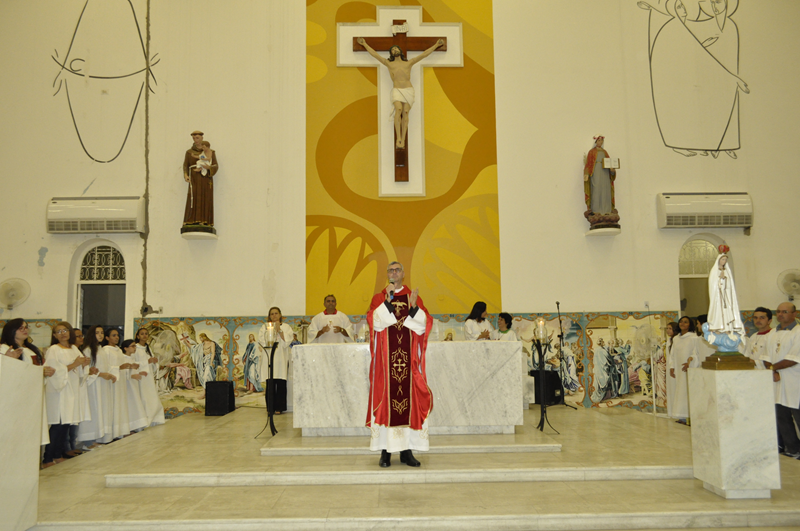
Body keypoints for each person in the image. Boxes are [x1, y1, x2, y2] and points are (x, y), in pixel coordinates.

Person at [367, 261, 432, 468]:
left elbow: (424, 324)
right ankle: (385, 452)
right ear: (387, 274)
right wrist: (386, 303)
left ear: (403, 273)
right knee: (386, 402)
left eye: (397, 270)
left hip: (408, 361)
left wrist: (413, 308)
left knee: (410, 403)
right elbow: (374, 321)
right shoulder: (379, 297)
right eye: (390, 270)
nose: (393, 273)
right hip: (386, 364)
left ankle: (406, 452)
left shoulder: (414, 296)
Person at [356, 37, 444, 149]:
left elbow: (424, 55)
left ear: (400, 51)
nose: (395, 50)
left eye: (397, 48)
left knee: (406, 112)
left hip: (408, 90)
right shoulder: (389, 63)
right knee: (398, 109)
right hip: (397, 89)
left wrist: (436, 45)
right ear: (391, 53)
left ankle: (403, 138)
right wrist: (365, 44)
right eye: (393, 49)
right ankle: (399, 138)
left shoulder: (409, 63)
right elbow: (375, 55)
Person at [0, 319, 55, 449]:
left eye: (26, 327)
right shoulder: (4, 348)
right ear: (11, 331)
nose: (25, 330)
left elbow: (38, 369)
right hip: (14, 397)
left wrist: (45, 372)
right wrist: (7, 360)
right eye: (21, 328)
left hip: (32, 396)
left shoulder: (31, 349)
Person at [42, 322, 91, 468]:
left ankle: (58, 454)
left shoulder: (74, 348)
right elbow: (53, 371)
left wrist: (84, 364)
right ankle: (47, 458)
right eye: (59, 331)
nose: (63, 333)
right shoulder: (54, 349)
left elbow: (80, 369)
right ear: (55, 335)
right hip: (59, 390)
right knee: (57, 425)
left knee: (66, 425)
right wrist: (75, 364)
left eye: (65, 330)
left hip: (72, 390)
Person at [762, 303, 800, 459]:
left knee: (798, 416)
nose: (780, 314)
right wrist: (772, 369)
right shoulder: (772, 333)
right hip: (777, 382)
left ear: (794, 313)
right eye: (778, 312)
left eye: (785, 312)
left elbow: (793, 359)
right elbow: (765, 357)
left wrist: (773, 369)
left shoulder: (798, 332)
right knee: (781, 417)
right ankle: (793, 449)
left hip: (795, 381)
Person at [78, 325, 116, 447]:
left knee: (102, 410)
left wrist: (110, 374)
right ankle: (88, 441)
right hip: (93, 386)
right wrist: (100, 374)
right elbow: (86, 370)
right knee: (94, 409)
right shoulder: (88, 350)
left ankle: (100, 437)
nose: (100, 335)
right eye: (97, 333)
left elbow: (106, 366)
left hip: (103, 385)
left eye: (101, 332)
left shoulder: (101, 349)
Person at [258, 307, 293, 414]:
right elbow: (262, 340)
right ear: (269, 316)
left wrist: (279, 330)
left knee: (281, 383)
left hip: (281, 358)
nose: (274, 316)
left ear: (280, 314)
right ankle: (270, 408)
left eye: (276, 313)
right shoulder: (264, 327)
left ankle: (280, 407)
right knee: (270, 383)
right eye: (272, 314)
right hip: (269, 357)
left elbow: (287, 341)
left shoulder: (286, 327)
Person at [182, 130, 219, 230]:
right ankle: (191, 220)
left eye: (197, 138)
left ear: (202, 138)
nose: (195, 140)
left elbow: (215, 165)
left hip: (205, 179)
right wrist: (185, 175)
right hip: (194, 178)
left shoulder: (210, 152)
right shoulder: (189, 152)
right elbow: (186, 165)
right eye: (194, 138)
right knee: (193, 197)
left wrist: (209, 168)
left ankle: (205, 221)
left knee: (205, 197)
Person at [669, 316, 701, 424]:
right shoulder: (676, 338)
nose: (682, 324)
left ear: (690, 325)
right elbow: (672, 355)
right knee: (679, 391)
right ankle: (681, 416)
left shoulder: (694, 337)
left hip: (689, 368)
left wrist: (690, 362)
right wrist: (672, 367)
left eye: (686, 322)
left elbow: (696, 352)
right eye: (681, 322)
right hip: (678, 369)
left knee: (688, 391)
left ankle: (690, 416)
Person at [707, 248, 745, 337]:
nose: (724, 261)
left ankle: (728, 328)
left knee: (727, 310)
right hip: (718, 296)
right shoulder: (714, 271)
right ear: (719, 260)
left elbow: (730, 284)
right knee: (719, 311)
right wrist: (719, 279)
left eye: (725, 260)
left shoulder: (727, 270)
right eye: (723, 259)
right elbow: (712, 283)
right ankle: (718, 327)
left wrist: (725, 279)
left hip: (726, 295)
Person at [103, 329, 133, 440]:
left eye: (117, 335)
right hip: (112, 380)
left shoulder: (118, 350)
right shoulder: (106, 350)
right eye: (113, 335)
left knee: (120, 405)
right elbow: (105, 366)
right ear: (107, 338)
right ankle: (112, 432)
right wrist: (118, 368)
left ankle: (120, 431)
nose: (116, 337)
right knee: (113, 405)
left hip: (120, 381)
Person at [134, 328, 165, 427]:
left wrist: (154, 362)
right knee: (143, 398)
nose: (144, 336)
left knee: (151, 398)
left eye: (146, 334)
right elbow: (133, 363)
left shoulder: (148, 349)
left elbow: (152, 364)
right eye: (142, 334)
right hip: (141, 377)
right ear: (138, 336)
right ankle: (144, 420)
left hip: (149, 377)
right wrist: (147, 362)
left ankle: (154, 419)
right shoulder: (135, 348)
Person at [583, 135, 617, 216]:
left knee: (605, 190)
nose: (600, 142)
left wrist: (612, 171)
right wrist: (587, 174)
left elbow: (610, 165)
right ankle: (596, 211)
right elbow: (588, 165)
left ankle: (607, 211)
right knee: (596, 190)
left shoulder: (605, 152)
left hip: (605, 174)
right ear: (595, 142)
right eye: (599, 140)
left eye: (602, 141)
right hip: (596, 174)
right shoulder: (591, 152)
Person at [662, 321, 679, 415]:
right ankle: (672, 411)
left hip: (675, 368)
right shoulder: (669, 341)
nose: (668, 330)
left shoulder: (677, 340)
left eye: (670, 328)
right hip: (669, 368)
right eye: (667, 328)